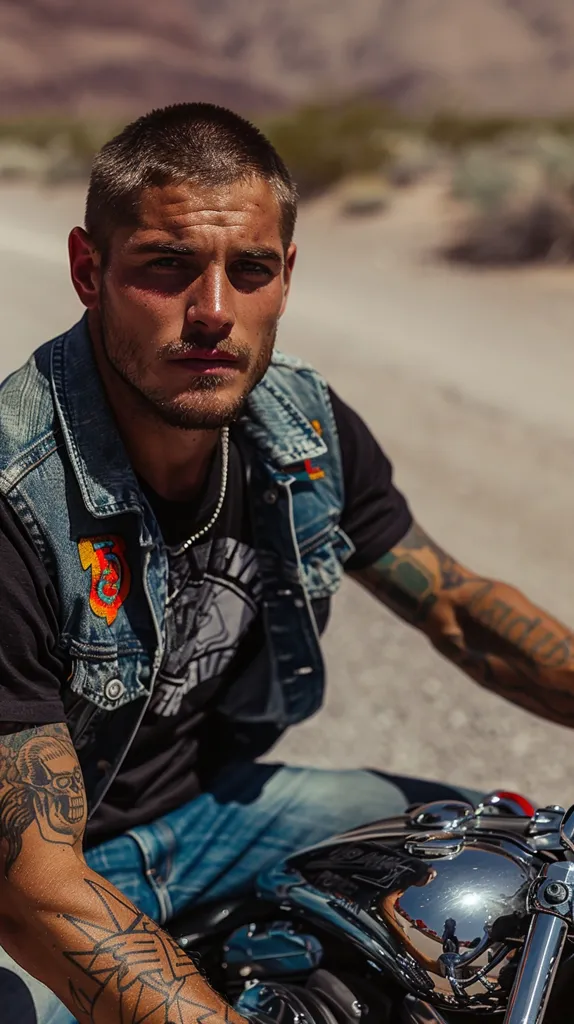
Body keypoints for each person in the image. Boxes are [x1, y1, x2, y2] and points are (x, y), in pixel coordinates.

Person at [0, 102, 572, 1024]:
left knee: (515, 878)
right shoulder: (14, 494)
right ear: (87, 269)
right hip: (36, 875)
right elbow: (33, 891)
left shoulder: (298, 429)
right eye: (167, 266)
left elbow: (459, 608)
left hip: (205, 819)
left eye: (250, 269)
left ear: (286, 276)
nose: (214, 312)